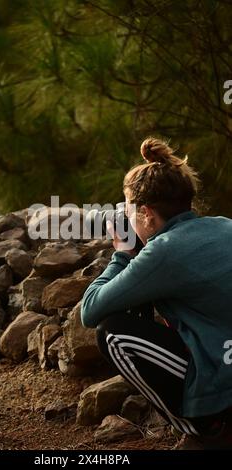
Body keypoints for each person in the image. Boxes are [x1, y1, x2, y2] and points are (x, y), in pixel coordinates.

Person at [80, 137, 232, 450]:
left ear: (147, 213)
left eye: (129, 209)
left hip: (225, 388)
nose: (127, 217)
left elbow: (90, 310)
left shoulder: (164, 252)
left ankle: (208, 429)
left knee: (112, 333)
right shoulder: (224, 225)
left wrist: (122, 253)